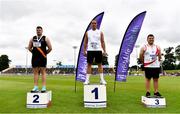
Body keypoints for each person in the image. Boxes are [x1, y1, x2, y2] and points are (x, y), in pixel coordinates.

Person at [28, 26, 52, 92]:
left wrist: (45, 53)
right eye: (37, 30)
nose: (38, 31)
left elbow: (50, 48)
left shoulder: (45, 38)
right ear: (36, 31)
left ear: (42, 31)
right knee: (35, 73)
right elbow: (29, 47)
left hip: (43, 58)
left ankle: (43, 87)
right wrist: (33, 52)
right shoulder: (32, 38)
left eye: (39, 30)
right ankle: (35, 87)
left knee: (43, 72)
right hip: (35, 58)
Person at [83, 20, 107, 85]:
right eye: (92, 23)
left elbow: (102, 42)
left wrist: (104, 51)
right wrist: (84, 50)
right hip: (90, 50)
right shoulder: (88, 33)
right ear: (91, 24)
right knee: (89, 65)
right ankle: (87, 80)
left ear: (96, 24)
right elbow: (85, 42)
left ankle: (102, 80)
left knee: (100, 64)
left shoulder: (100, 32)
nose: (94, 24)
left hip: (98, 50)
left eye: (95, 23)